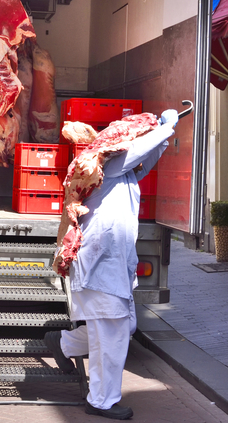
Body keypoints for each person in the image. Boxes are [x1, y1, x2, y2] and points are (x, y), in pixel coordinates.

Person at [45, 109, 179, 420]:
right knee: (113, 332)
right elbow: (135, 154)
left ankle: (63, 343)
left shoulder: (122, 172)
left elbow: (143, 162)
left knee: (123, 326)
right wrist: (164, 129)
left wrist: (161, 139)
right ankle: (101, 400)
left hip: (111, 265)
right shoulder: (105, 165)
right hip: (99, 266)